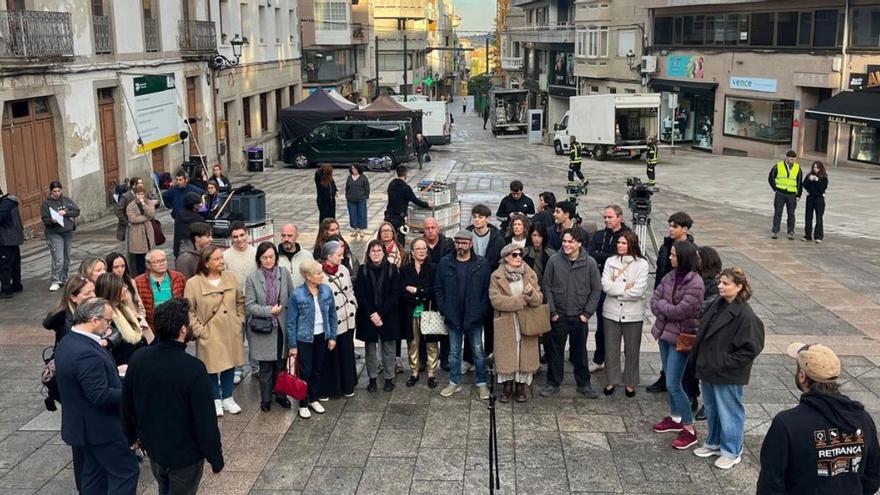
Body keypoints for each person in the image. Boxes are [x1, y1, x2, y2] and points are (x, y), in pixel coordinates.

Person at [122, 298, 224, 494]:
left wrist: (131, 435)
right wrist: (215, 458)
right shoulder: (193, 368)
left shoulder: (139, 358)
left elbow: (127, 403)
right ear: (183, 330)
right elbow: (205, 421)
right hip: (185, 456)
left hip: (154, 449)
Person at [757, 343, 880, 494]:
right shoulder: (863, 418)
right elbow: (872, 477)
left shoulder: (787, 424)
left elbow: (770, 485)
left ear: (802, 376)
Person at [54, 298, 139, 494]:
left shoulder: (68, 341)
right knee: (125, 473)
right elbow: (99, 395)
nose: (109, 326)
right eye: (108, 321)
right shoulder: (86, 353)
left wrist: (114, 373)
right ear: (93, 320)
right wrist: (132, 393)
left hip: (85, 428)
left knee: (94, 476)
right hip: (102, 430)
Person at [690, 267, 764, 470]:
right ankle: (714, 442)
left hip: (726, 372)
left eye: (726, 283)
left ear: (739, 287)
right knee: (712, 408)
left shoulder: (745, 316)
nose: (720, 286)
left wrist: (723, 362)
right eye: (720, 282)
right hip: (709, 367)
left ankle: (732, 451)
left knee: (730, 410)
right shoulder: (718, 303)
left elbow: (751, 348)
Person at [650, 241, 705, 450]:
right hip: (665, 333)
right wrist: (666, 307)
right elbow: (655, 300)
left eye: (673, 255)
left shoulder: (695, 282)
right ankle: (675, 418)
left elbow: (682, 310)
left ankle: (689, 428)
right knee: (670, 379)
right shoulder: (670, 276)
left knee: (674, 382)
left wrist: (664, 307)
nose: (670, 258)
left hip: (681, 337)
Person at [185, 246, 246, 417]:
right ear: (206, 263)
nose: (222, 261)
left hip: (230, 330)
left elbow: (240, 300)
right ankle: (215, 399)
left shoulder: (230, 277)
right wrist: (199, 331)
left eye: (221, 258)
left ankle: (228, 397)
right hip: (209, 331)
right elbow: (189, 310)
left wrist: (239, 320)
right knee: (210, 367)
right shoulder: (193, 283)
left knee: (229, 363)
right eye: (217, 259)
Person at [541, 227, 601, 399]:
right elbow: (547, 287)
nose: (566, 245)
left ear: (579, 243)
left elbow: (596, 289)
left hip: (579, 315)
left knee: (580, 352)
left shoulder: (589, 263)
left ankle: (584, 384)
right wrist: (552, 311)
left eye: (570, 241)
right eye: (564, 241)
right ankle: (553, 382)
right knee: (555, 351)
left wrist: (587, 313)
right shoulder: (554, 260)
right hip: (559, 314)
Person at [435, 230, 491, 400]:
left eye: (463, 243)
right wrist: (444, 309)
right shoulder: (445, 263)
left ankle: (482, 383)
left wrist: (481, 310)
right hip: (453, 316)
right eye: (457, 242)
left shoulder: (482, 264)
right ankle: (454, 381)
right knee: (454, 352)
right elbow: (439, 288)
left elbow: (487, 290)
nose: (460, 246)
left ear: (471, 244)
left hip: (474, 316)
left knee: (478, 351)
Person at [648, 211, 695, 394]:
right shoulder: (666, 246)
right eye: (670, 225)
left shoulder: (690, 250)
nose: (670, 229)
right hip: (663, 299)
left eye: (675, 226)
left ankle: (688, 389)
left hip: (678, 307)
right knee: (664, 341)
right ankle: (665, 376)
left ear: (685, 229)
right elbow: (661, 271)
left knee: (681, 349)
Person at [489, 243, 543, 403]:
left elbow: (539, 299)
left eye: (520, 254)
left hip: (526, 321)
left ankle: (520, 387)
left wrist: (532, 294)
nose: (518, 257)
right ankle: (506, 387)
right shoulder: (496, 276)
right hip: (506, 322)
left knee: (524, 354)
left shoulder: (530, 273)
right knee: (507, 355)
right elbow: (496, 300)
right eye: (514, 255)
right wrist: (521, 300)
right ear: (505, 258)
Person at [600, 230, 649, 398]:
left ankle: (630, 381)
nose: (620, 246)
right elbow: (606, 286)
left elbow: (639, 290)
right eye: (619, 243)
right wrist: (626, 287)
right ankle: (612, 379)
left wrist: (619, 289)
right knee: (611, 348)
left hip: (633, 314)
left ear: (631, 245)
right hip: (611, 312)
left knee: (632, 349)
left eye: (624, 243)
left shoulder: (642, 264)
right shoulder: (610, 261)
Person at [245, 242, 293, 412]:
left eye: (271, 256)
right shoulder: (252, 278)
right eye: (264, 257)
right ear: (259, 259)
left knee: (281, 364)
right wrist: (269, 311)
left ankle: (281, 395)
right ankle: (265, 399)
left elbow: (291, 297)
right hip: (263, 327)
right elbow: (249, 306)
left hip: (281, 326)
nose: (268, 260)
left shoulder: (284, 273)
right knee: (265, 367)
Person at [286, 259, 337, 419]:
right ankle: (303, 402)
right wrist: (292, 345)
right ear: (308, 276)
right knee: (305, 371)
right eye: (318, 273)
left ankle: (314, 398)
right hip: (304, 338)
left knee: (317, 369)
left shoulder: (327, 291)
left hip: (322, 335)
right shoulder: (297, 294)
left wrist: (332, 336)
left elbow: (332, 315)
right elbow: (291, 321)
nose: (322, 276)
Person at [587, 205, 632, 373]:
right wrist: (610, 258)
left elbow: (624, 259)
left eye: (610, 217)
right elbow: (590, 254)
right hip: (601, 285)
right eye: (605, 217)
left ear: (619, 217)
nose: (606, 220)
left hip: (620, 286)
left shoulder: (628, 236)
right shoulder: (599, 235)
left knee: (620, 327)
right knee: (601, 325)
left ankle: (618, 360)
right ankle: (599, 359)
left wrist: (604, 258)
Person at [42, 275, 95, 415]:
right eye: (87, 293)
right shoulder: (68, 321)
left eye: (93, 291)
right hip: (76, 374)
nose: (93, 296)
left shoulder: (91, 312)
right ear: (73, 297)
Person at [355, 240, 402, 392]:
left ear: (384, 253)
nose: (376, 253)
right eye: (373, 251)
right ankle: (372, 379)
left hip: (387, 315)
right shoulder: (362, 270)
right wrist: (372, 314)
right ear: (368, 253)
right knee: (370, 350)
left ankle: (389, 378)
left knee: (389, 349)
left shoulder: (392, 269)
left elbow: (394, 295)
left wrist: (380, 314)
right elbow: (360, 295)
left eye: (379, 251)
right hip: (368, 316)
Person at [686, 245, 723, 421]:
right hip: (692, 330)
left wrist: (686, 307)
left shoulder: (715, 283)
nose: (695, 261)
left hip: (708, 333)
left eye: (698, 258)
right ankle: (692, 396)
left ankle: (709, 406)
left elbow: (705, 308)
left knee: (705, 369)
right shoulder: (694, 277)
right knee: (690, 366)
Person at [319, 241, 358, 399]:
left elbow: (349, 290)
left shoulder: (343, 269)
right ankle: (332, 388)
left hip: (347, 317)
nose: (342, 258)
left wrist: (353, 306)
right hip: (332, 321)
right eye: (339, 255)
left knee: (347, 352)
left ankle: (348, 385)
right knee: (331, 356)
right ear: (329, 257)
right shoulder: (320, 274)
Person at [400, 238, 440, 389]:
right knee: (413, 343)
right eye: (418, 249)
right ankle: (414, 372)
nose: (422, 251)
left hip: (429, 312)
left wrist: (417, 291)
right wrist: (422, 294)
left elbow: (434, 290)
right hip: (411, 312)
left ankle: (431, 373)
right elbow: (402, 292)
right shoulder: (404, 270)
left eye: (424, 248)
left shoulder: (433, 268)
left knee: (431, 344)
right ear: (412, 252)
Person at [223, 221, 258, 383]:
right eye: (235, 237)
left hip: (254, 301)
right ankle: (238, 368)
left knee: (255, 336)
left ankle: (256, 366)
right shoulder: (225, 256)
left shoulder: (256, 252)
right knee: (236, 337)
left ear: (247, 234)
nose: (239, 239)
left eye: (242, 235)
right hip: (234, 303)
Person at [95, 273, 153, 366]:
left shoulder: (125, 310)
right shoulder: (105, 318)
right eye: (121, 287)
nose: (125, 288)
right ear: (112, 291)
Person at [421, 217, 453, 370]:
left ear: (438, 228)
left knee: (444, 325)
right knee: (423, 326)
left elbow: (446, 266)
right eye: (427, 228)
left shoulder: (447, 244)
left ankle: (445, 357)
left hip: (444, 290)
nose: (430, 230)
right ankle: (423, 358)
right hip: (423, 290)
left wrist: (428, 265)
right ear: (423, 229)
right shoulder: (420, 245)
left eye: (433, 227)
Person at [41, 180, 80, 291]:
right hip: (54, 233)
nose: (57, 193)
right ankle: (55, 280)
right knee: (58, 258)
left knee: (66, 257)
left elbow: (76, 211)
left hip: (67, 231)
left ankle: (64, 278)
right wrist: (52, 220)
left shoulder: (66, 200)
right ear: (51, 191)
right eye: (54, 191)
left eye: (58, 191)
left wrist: (66, 213)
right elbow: (45, 219)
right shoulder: (46, 203)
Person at [134, 249, 186, 329]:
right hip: (151, 327)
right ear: (148, 265)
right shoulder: (138, 282)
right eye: (157, 262)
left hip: (176, 326)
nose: (162, 264)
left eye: (163, 260)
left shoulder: (178, 277)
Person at [385, 165, 429, 244]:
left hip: (389, 215)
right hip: (399, 218)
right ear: (405, 174)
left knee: (388, 239)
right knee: (400, 239)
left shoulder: (391, 184)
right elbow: (415, 200)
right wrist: (426, 204)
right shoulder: (406, 188)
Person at [105, 251, 149, 326]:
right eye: (116, 267)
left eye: (123, 266)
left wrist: (141, 318)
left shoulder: (130, 282)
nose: (120, 270)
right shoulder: (106, 285)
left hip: (137, 322)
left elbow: (139, 303)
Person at [768, 149, 803, 240]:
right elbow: (771, 177)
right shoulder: (778, 166)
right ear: (787, 158)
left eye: (794, 159)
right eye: (791, 159)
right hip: (780, 193)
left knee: (791, 214)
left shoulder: (797, 168)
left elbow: (799, 182)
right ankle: (775, 231)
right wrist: (775, 189)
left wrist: (798, 195)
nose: (793, 161)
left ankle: (791, 231)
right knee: (778, 212)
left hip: (791, 194)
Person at [125, 184, 158, 275]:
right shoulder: (130, 206)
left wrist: (143, 204)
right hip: (137, 234)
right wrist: (146, 218)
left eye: (142, 194)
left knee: (150, 258)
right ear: (135, 194)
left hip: (148, 232)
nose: (140, 196)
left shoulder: (148, 202)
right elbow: (133, 219)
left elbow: (151, 214)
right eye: (138, 194)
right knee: (140, 261)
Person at [0, 186, 23, 298]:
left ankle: (6, 290)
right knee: (14, 264)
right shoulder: (10, 202)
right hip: (13, 238)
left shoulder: (4, 205)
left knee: (5, 265)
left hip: (6, 240)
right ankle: (17, 285)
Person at [277, 222, 314, 287]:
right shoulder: (273, 257)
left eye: (290, 236)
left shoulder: (307, 256)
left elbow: (313, 279)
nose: (286, 239)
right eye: (283, 235)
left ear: (297, 236)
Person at [803, 160, 828, 243]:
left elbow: (822, 188)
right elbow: (805, 185)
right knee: (808, 217)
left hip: (819, 199)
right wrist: (809, 180)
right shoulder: (809, 175)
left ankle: (818, 236)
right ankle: (807, 235)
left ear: (820, 168)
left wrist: (817, 181)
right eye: (814, 167)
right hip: (810, 198)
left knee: (819, 217)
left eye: (817, 167)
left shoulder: (824, 177)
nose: (815, 169)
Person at [173, 191, 205, 257]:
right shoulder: (199, 219)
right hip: (193, 251)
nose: (200, 205)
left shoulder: (179, 215)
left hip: (179, 249)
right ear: (194, 205)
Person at [345, 164, 370, 240]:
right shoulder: (349, 178)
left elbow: (367, 188)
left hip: (361, 199)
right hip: (351, 200)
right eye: (352, 169)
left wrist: (365, 196)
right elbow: (347, 188)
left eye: (355, 169)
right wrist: (347, 196)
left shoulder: (363, 178)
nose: (353, 170)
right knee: (352, 214)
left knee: (362, 214)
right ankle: (354, 229)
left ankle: (362, 230)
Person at [114, 177, 140, 244]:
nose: (141, 185)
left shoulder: (141, 194)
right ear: (133, 185)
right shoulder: (126, 196)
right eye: (139, 183)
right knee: (131, 250)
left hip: (140, 227)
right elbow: (118, 210)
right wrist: (127, 222)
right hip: (130, 228)